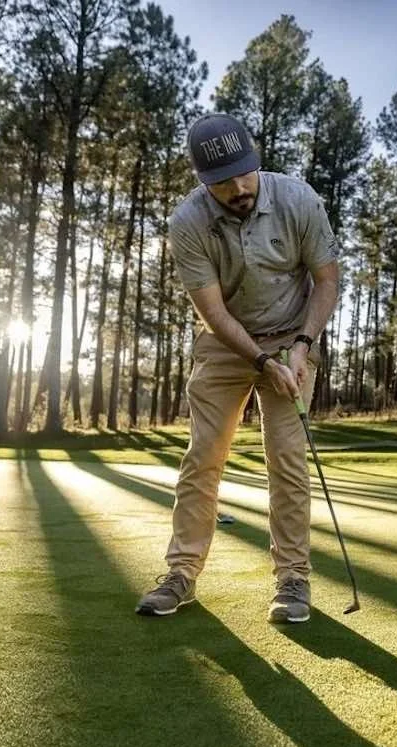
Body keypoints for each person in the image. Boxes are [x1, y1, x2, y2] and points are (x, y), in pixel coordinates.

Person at [135, 113, 340, 624]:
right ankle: (181, 573)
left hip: (293, 334)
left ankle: (292, 579)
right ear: (205, 182)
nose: (239, 186)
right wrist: (259, 359)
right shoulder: (188, 224)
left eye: (245, 173)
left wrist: (300, 346)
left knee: (288, 460)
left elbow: (328, 282)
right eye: (224, 181)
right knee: (203, 456)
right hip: (227, 344)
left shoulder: (298, 200)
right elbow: (213, 312)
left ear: (255, 160)